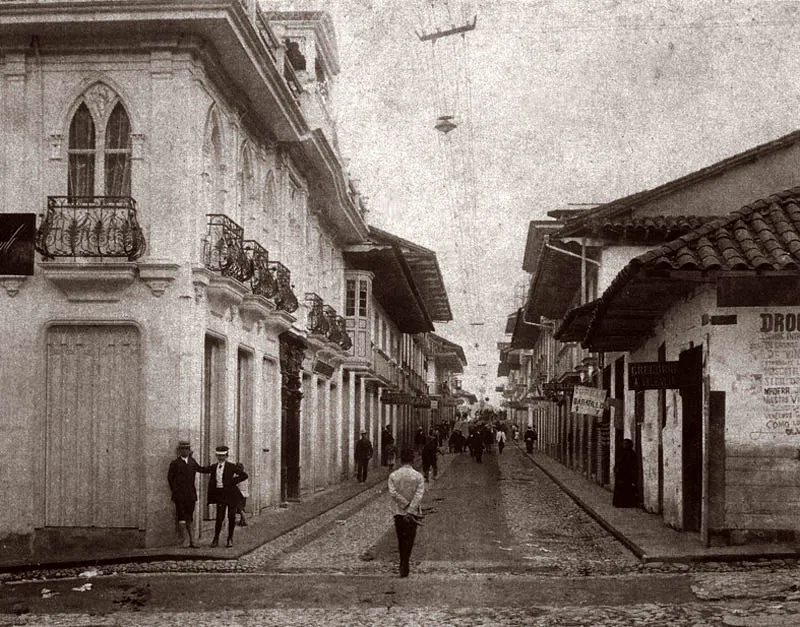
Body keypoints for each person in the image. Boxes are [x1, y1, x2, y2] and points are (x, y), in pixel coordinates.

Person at [387, 447, 425, 578]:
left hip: (398, 512)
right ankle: (405, 562)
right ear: (412, 460)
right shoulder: (418, 476)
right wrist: (410, 508)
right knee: (410, 538)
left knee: (400, 538)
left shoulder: (393, 475)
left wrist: (403, 504)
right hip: (413, 514)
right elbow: (419, 495)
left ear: (400, 460)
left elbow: (393, 493)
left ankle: (403, 562)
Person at [204, 445, 248, 548]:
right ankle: (215, 539)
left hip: (231, 495)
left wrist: (233, 482)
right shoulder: (214, 467)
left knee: (231, 516)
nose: (221, 458)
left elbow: (244, 475)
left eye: (223, 456)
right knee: (219, 517)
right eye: (219, 456)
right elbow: (203, 469)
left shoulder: (231, 466)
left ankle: (230, 539)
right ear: (216, 456)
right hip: (220, 495)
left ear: (226, 456)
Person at [166, 440, 202, 548]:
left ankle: (193, 541)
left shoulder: (192, 462)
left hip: (190, 495)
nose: (185, 451)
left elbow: (201, 469)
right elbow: (170, 479)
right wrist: (176, 491)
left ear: (189, 450)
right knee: (181, 517)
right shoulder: (175, 463)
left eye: (187, 449)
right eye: (182, 449)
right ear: (179, 451)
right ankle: (184, 540)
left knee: (190, 517)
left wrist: (214, 468)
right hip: (180, 495)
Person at [612, 438, 639, 508]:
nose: (624, 445)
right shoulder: (620, 452)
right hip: (620, 474)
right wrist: (616, 468)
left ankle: (627, 504)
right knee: (619, 489)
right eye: (623, 444)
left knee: (626, 489)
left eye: (626, 444)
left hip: (627, 475)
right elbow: (617, 461)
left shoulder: (632, 454)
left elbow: (634, 465)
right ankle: (619, 503)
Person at [235, 463, 249, 527]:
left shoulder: (239, 478)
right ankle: (241, 521)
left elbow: (237, 486)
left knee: (239, 508)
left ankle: (245, 520)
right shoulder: (245, 476)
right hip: (245, 494)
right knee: (242, 507)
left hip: (239, 494)